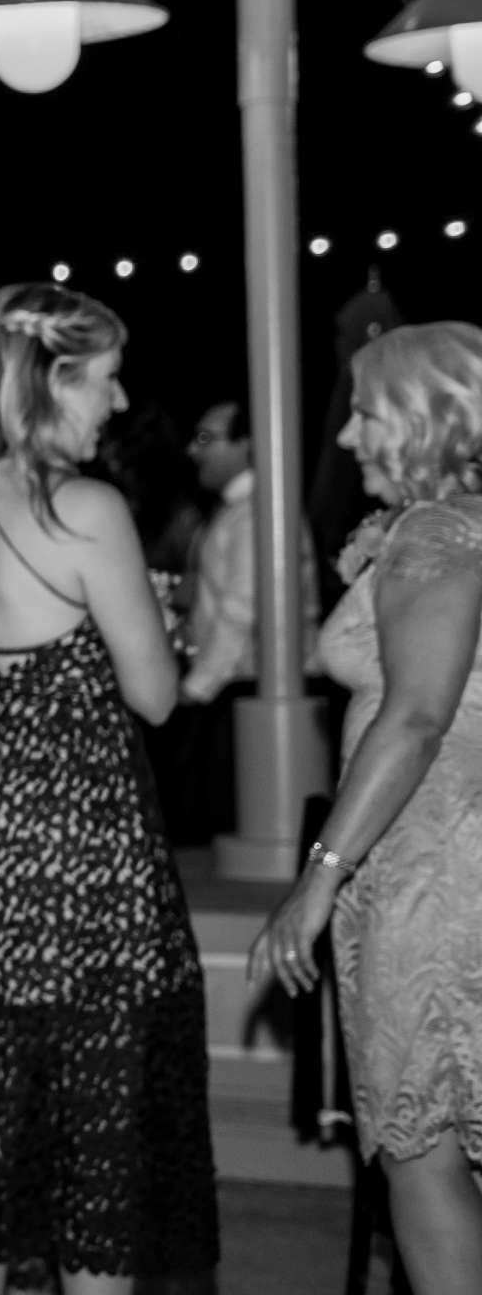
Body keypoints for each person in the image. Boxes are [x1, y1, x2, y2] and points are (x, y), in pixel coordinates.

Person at [0, 282, 217, 1295]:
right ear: (55, 380)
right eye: (107, 381)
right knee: (93, 1126)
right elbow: (155, 697)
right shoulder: (85, 510)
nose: (118, 406)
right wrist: (184, 634)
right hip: (70, 843)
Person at [249, 321, 482, 1294]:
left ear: (430, 420)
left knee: (421, 1147)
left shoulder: (439, 533)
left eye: (366, 412)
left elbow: (417, 716)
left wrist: (318, 876)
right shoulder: (445, 527)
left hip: (431, 870)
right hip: (446, 860)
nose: (347, 438)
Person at [165, 399, 321, 844]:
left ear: (246, 445)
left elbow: (241, 610)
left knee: (226, 826)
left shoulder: (260, 514)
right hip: (238, 685)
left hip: (250, 687)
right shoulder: (240, 510)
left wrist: (195, 690)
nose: (193, 450)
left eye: (206, 439)